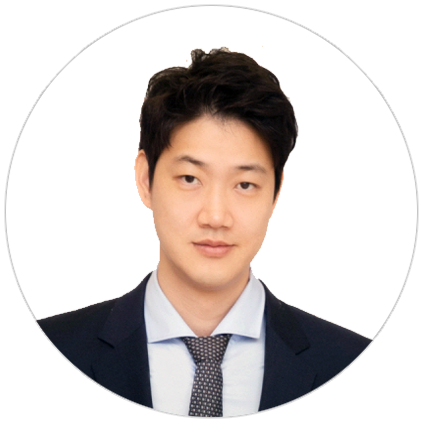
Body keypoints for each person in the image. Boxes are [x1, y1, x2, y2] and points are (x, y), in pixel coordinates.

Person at [38, 48, 371, 417]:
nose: (216, 216)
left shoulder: (354, 364)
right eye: (190, 178)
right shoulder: (48, 350)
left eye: (245, 184)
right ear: (146, 179)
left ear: (276, 192)